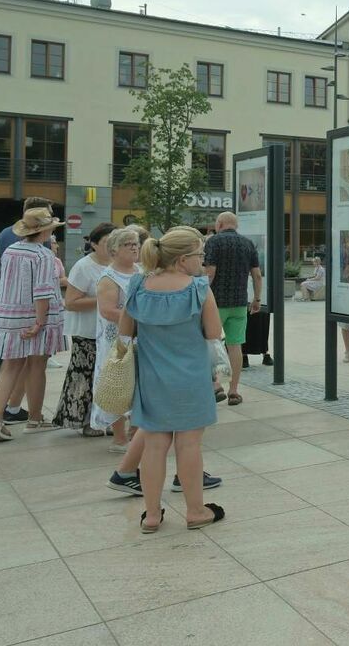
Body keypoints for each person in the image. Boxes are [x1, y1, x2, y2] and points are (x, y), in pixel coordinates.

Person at [119, 227, 224, 531]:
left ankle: (151, 516)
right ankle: (195, 511)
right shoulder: (198, 288)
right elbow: (214, 333)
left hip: (152, 378)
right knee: (189, 445)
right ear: (181, 260)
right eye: (199, 255)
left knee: (154, 447)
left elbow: (126, 329)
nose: (202, 262)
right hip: (192, 378)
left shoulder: (138, 284)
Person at [0, 208, 68, 439]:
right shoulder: (43, 254)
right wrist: (39, 321)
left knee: (9, 367)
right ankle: (34, 418)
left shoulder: (10, 251)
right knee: (37, 366)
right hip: (37, 316)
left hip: (10, 313)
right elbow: (43, 291)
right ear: (44, 231)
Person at [54, 222, 117, 433]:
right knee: (85, 377)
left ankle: (106, 419)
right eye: (107, 242)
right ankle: (86, 422)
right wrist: (103, 300)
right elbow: (71, 302)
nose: (111, 247)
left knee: (108, 377)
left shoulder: (118, 265)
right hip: (87, 332)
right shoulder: (84, 267)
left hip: (111, 332)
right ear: (94, 244)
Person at [92, 226, 142, 453]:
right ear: (113, 250)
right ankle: (119, 438)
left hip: (139, 337)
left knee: (138, 384)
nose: (135, 247)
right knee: (118, 385)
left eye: (136, 243)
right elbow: (107, 311)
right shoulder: (108, 278)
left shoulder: (141, 271)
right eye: (128, 244)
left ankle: (136, 432)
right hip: (117, 341)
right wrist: (140, 315)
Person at [202, 211, 261, 405]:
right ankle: (234, 391)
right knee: (235, 346)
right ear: (235, 225)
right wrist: (257, 299)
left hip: (216, 303)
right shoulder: (247, 243)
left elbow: (210, 272)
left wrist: (201, 295)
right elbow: (257, 275)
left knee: (213, 345)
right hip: (239, 302)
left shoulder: (213, 242)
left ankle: (216, 386)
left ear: (219, 224)